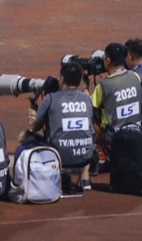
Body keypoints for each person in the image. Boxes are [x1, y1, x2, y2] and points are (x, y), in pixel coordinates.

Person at [29, 61, 95, 190]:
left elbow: (34, 127)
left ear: (63, 79)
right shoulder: (87, 99)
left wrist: (31, 114)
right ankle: (85, 178)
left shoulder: (51, 98)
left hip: (58, 156)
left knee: (28, 139)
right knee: (85, 132)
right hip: (86, 156)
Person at [91, 42, 142, 149]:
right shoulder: (136, 76)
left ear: (108, 61)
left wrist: (86, 88)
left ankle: (103, 149)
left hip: (114, 137)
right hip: (136, 131)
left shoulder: (103, 86)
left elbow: (90, 110)